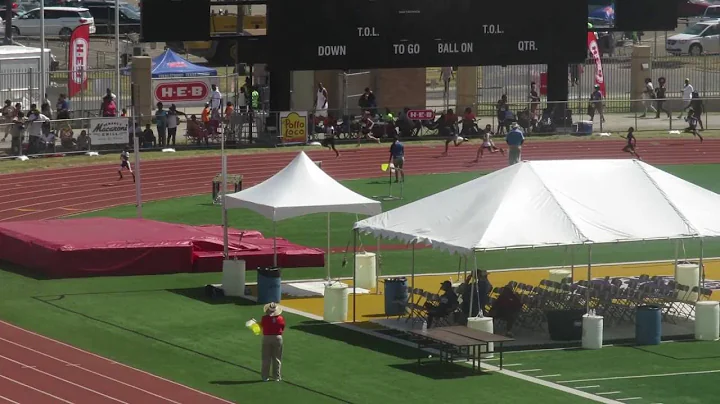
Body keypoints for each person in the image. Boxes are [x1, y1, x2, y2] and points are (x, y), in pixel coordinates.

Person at [260, 302, 285, 382]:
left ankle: (265, 376)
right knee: (277, 358)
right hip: (277, 337)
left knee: (266, 358)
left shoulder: (264, 318)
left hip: (267, 337)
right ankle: (276, 376)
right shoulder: (280, 318)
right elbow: (282, 327)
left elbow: (262, 326)